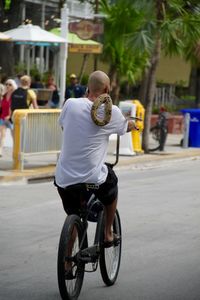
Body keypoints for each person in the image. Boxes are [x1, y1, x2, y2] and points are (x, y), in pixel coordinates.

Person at [54, 70, 138, 248]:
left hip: (64, 178)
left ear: (87, 88)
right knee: (112, 182)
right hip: (93, 178)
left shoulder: (70, 104)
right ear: (107, 88)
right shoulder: (112, 112)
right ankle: (107, 233)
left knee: (74, 212)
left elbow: (63, 125)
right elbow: (125, 127)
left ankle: (67, 261)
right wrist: (132, 124)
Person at [0, 79, 17, 156]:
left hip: (11, 119)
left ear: (13, 86)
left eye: (10, 84)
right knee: (2, 135)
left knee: (13, 136)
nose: (7, 86)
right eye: (6, 84)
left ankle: (16, 151)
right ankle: (0, 150)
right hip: (3, 117)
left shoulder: (15, 96)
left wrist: (10, 116)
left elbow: (15, 108)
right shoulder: (3, 95)